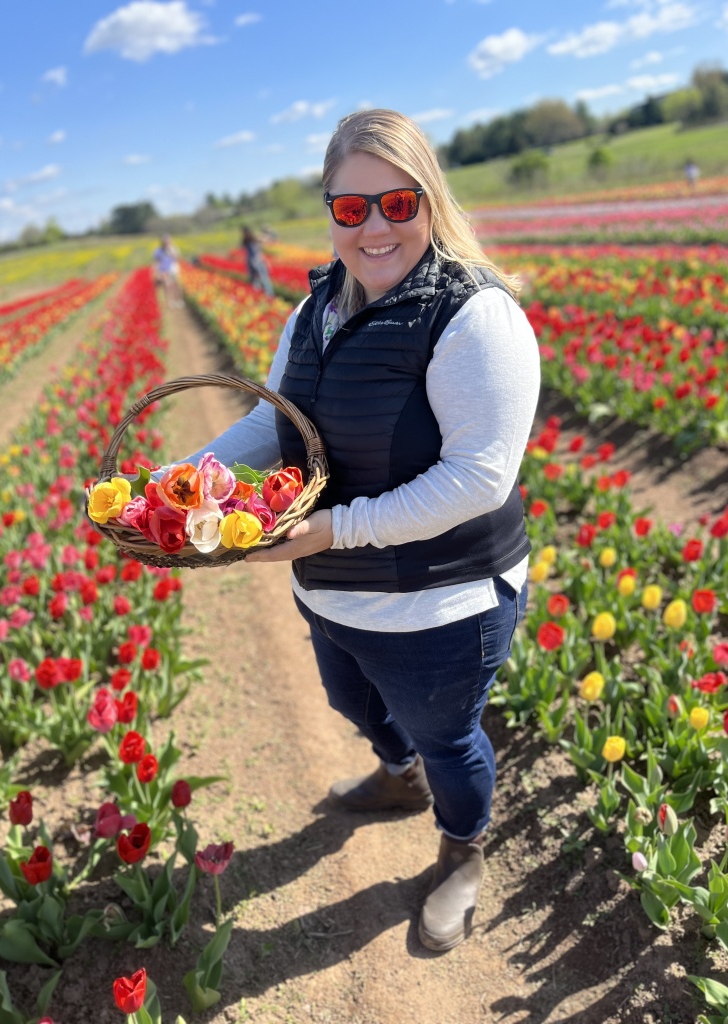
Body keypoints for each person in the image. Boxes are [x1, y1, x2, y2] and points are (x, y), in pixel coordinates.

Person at [174, 109, 540, 951]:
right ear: (331, 211)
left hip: (440, 602)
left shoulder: (475, 317)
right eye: (351, 208)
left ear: (429, 200)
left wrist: (333, 529)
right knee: (351, 698)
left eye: (397, 203)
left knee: (447, 732)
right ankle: (397, 773)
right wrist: (187, 478)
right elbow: (275, 424)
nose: (374, 226)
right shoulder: (313, 314)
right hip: (335, 586)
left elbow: (479, 479)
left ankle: (461, 850)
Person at [152, 234, 183, 308]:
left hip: (173, 269)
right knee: (167, 286)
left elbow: (177, 258)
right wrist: (157, 272)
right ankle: (170, 302)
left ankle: (179, 300)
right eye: (164, 241)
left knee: (176, 285)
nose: (166, 242)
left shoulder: (173, 249)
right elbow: (156, 261)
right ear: (162, 242)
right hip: (163, 270)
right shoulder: (158, 251)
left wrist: (171, 251)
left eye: (167, 241)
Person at [241, 226, 274, 296]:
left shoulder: (252, 239)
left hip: (256, 260)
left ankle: (268, 294)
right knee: (256, 279)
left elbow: (265, 240)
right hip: (253, 261)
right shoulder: (248, 240)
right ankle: (260, 293)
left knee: (262, 278)